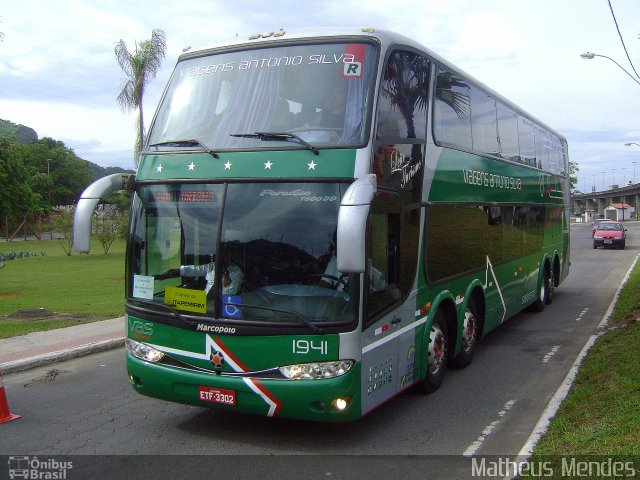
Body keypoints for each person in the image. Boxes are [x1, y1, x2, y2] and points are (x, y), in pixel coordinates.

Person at [157, 260, 243, 295]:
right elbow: (194, 270)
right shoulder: (212, 266)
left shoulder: (236, 271)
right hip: (204, 303)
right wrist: (176, 271)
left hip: (222, 307)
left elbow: (230, 291)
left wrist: (223, 272)